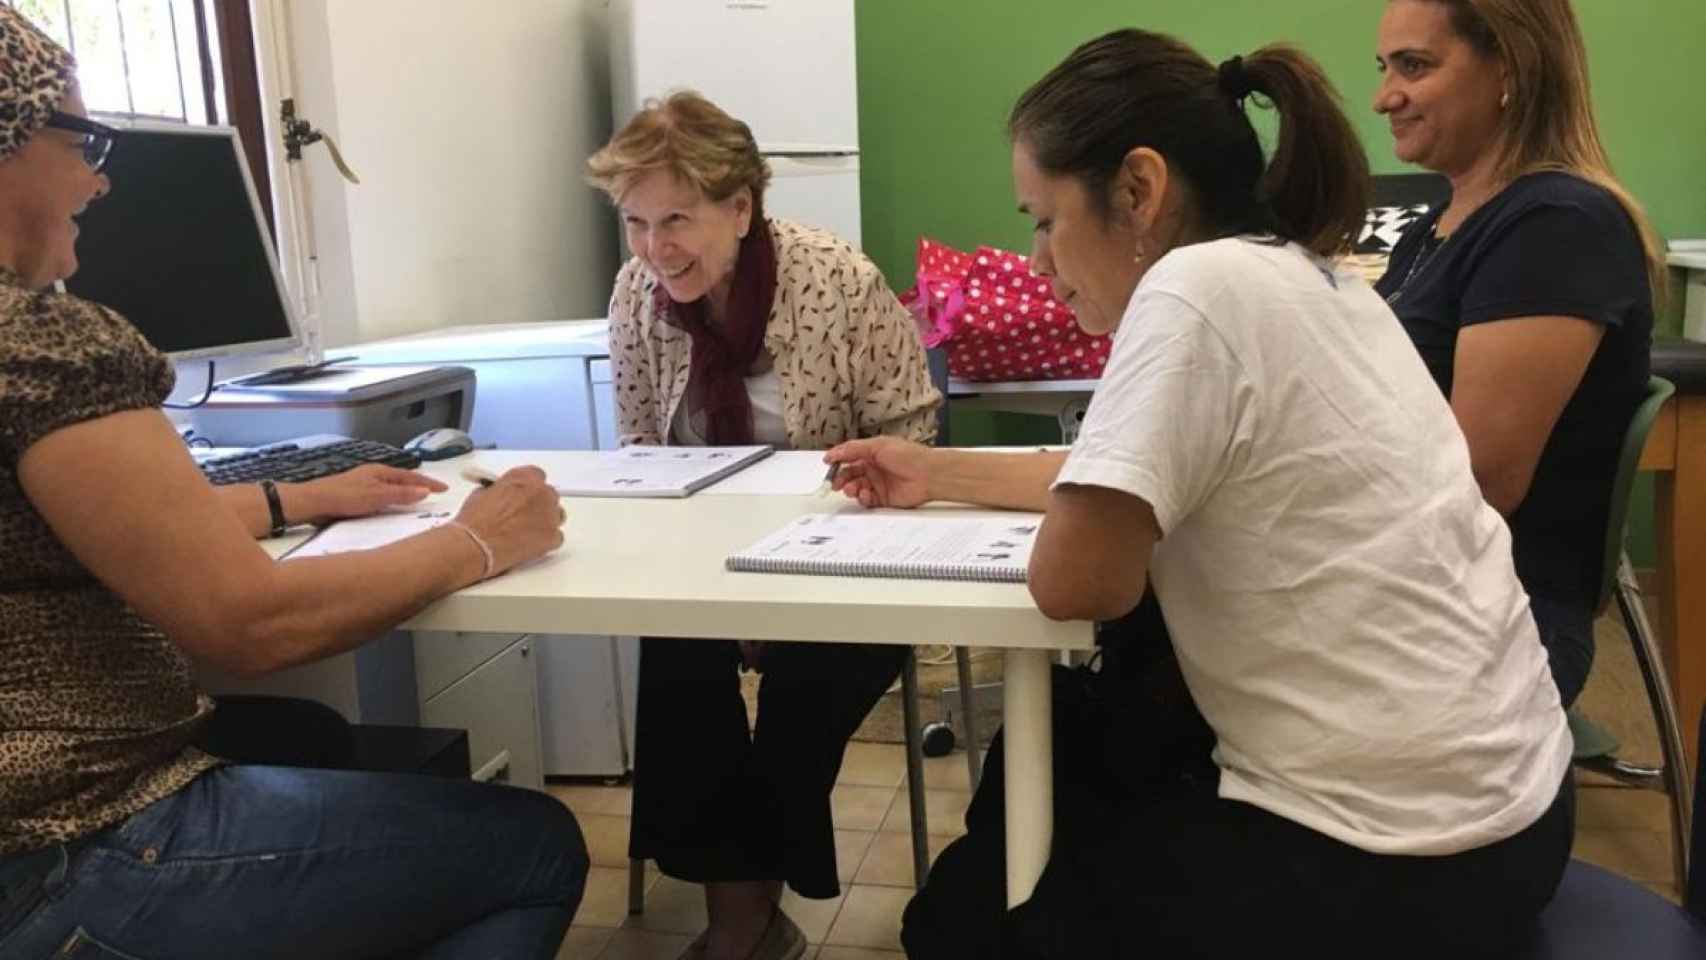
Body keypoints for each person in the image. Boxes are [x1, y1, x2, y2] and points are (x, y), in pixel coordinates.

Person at [826, 28, 1574, 959]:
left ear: (1139, 190)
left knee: (974, 914)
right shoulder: (1312, 276)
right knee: (1065, 763)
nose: (1040, 260)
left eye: (1046, 219)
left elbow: (1079, 582)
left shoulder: (1192, 288)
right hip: (1518, 813)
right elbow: (1153, 476)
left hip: (1393, 857)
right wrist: (938, 471)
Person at [0, 11, 587, 959]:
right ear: (10, 139)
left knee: (307, 735)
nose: (98, 178)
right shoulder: (42, 346)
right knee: (532, 845)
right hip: (59, 851)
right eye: (83, 141)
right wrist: (482, 540)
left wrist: (292, 497)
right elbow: (251, 625)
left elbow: (83, 528)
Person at [585, 91, 941, 960]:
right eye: (634, 223)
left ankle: (738, 926)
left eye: (676, 218)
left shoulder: (837, 280)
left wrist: (791, 574)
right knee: (675, 656)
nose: (653, 250)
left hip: (840, 551)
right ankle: (747, 919)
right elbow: (640, 449)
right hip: (704, 559)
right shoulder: (637, 296)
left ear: (740, 208)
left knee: (801, 689)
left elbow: (913, 431)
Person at [1373, 0, 1662, 707]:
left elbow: (1484, 475)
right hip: (1418, 591)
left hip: (1498, 619)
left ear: (1510, 65)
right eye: (1384, 69)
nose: (1384, 97)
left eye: (1414, 65)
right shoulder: (1431, 233)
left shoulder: (1556, 225)